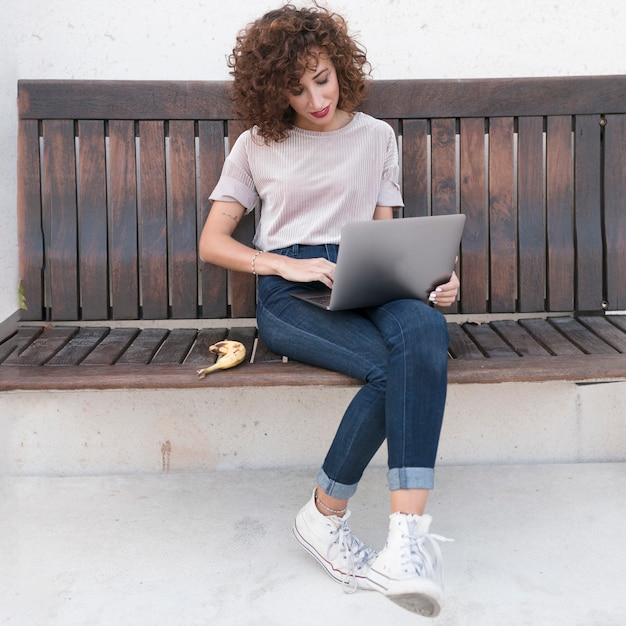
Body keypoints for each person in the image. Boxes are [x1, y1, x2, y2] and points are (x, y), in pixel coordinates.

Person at [199, 3, 459, 618]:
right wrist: (283, 265)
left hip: (362, 276)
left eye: (322, 77)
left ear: (339, 65)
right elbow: (213, 242)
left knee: (425, 327)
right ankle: (324, 514)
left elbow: (385, 238)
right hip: (290, 293)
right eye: (296, 88)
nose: (316, 97)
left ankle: (404, 544)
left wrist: (432, 282)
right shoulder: (255, 145)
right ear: (273, 92)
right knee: (392, 369)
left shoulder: (375, 137)